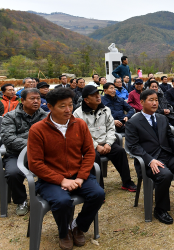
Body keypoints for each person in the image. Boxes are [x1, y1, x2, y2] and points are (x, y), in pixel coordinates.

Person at [27, 88, 105, 249]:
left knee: (98, 194)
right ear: (50, 106)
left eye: (70, 105)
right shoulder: (38, 129)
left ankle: (78, 226)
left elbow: (90, 152)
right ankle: (64, 232)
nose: (68, 110)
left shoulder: (79, 124)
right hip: (51, 180)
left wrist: (81, 177)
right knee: (62, 201)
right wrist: (61, 180)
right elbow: (35, 163)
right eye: (62, 106)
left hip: (78, 175)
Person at [126, 89, 174, 224]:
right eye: (151, 100)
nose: (155, 103)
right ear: (142, 102)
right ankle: (160, 209)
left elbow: (170, 138)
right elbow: (133, 146)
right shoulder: (133, 122)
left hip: (167, 155)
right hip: (149, 160)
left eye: (156, 100)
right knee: (165, 175)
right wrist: (150, 160)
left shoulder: (161, 118)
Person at [73, 85, 137, 191]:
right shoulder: (78, 114)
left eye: (98, 94)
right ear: (86, 100)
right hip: (89, 145)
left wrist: (108, 143)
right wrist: (96, 146)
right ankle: (98, 188)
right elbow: (81, 135)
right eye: (93, 95)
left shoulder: (105, 110)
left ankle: (127, 182)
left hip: (106, 143)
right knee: (93, 157)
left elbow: (111, 129)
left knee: (120, 151)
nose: (98, 97)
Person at [0, 88, 47, 216]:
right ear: (22, 100)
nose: (36, 101)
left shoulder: (46, 116)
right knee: (13, 173)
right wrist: (33, 144)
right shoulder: (10, 116)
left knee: (55, 167)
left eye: (38, 98)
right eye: (32, 98)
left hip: (42, 155)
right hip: (16, 154)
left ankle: (44, 195)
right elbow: (9, 139)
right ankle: (21, 201)